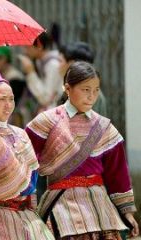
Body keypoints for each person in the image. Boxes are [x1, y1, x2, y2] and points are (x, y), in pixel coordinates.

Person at [25, 61, 139, 239]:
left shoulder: (105, 127)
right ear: (67, 88)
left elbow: (117, 173)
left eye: (96, 90)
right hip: (61, 205)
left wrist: (127, 212)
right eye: (86, 89)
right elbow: (25, 163)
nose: (92, 96)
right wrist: (25, 202)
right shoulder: (46, 121)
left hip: (100, 207)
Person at [0, 68, 54, 240]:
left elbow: (32, 180)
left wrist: (34, 214)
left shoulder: (21, 134)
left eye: (11, 99)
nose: (8, 105)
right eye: (1, 99)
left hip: (27, 218)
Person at [59, 41, 107, 116]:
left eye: (60, 61)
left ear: (71, 64)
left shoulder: (93, 96)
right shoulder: (67, 87)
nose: (58, 65)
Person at [19, 32, 62, 112]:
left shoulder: (53, 65)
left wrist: (31, 73)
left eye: (27, 47)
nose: (25, 51)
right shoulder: (40, 62)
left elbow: (45, 99)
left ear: (39, 46)